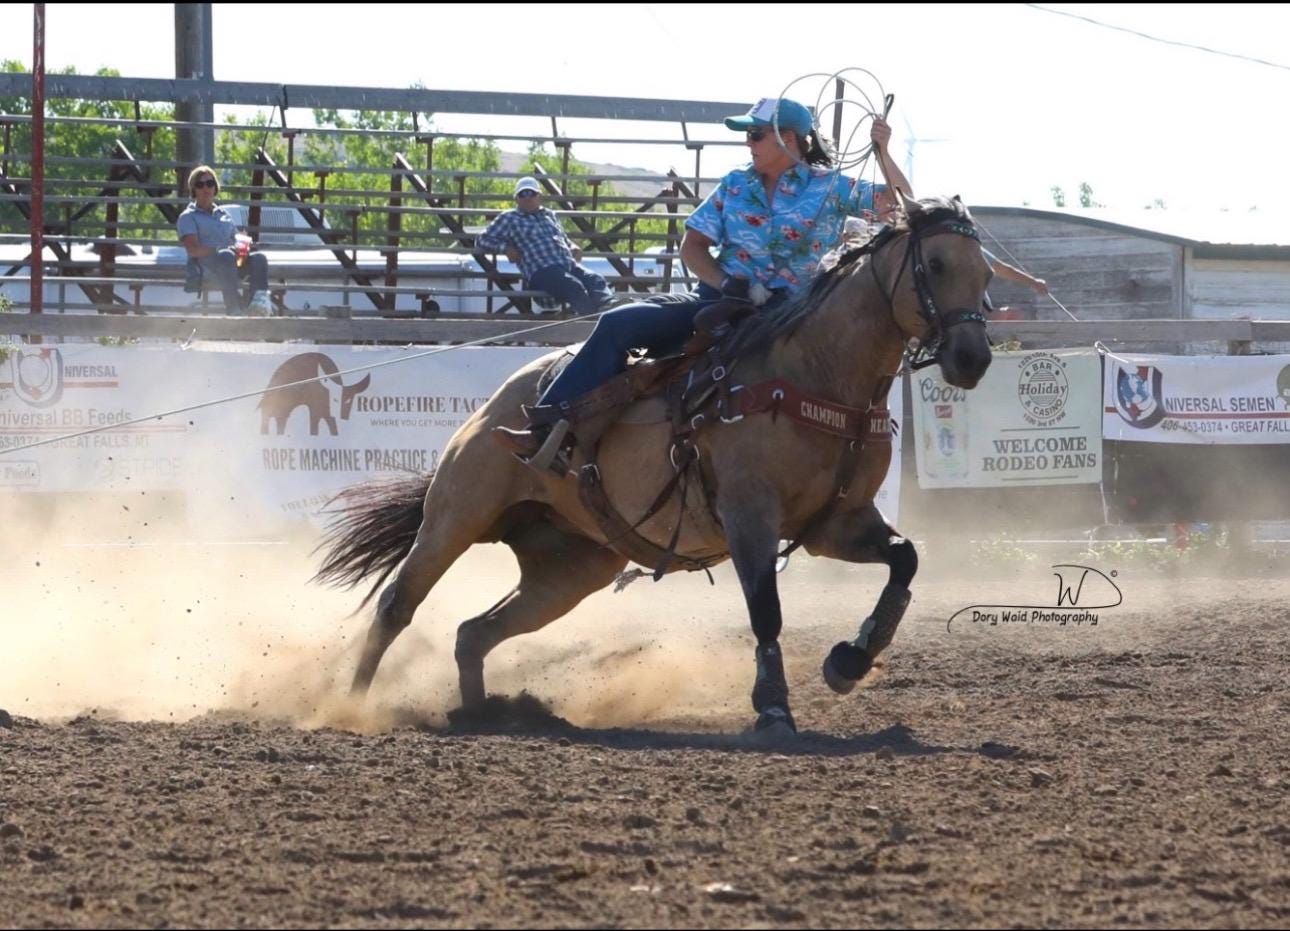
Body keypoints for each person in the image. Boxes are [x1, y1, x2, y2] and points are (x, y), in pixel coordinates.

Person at [494, 96, 913, 466]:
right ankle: (549, 429)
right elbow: (692, 247)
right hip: (722, 301)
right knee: (617, 325)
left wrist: (882, 152)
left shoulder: (831, 188)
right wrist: (728, 283)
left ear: (790, 138)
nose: (748, 143)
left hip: (792, 315)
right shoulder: (734, 185)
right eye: (749, 135)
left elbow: (902, 206)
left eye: (756, 135)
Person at [474, 177, 613, 316]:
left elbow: (563, 238)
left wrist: (573, 246)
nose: (528, 198)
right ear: (516, 199)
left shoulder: (550, 215)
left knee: (595, 278)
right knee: (573, 286)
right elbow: (482, 239)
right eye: (523, 194)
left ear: (539, 196)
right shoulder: (509, 218)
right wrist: (505, 248)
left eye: (531, 193)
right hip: (541, 270)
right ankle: (592, 321)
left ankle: (609, 306)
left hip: (567, 265)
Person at [176, 166, 272, 315]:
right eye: (200, 185)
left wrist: (243, 243)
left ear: (215, 188)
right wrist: (219, 249)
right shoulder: (188, 217)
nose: (205, 188)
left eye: (210, 183)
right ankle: (234, 308)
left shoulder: (224, 214)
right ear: (193, 190)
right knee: (225, 255)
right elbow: (193, 250)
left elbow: (235, 239)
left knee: (259, 258)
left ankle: (257, 306)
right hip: (206, 267)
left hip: (232, 261)